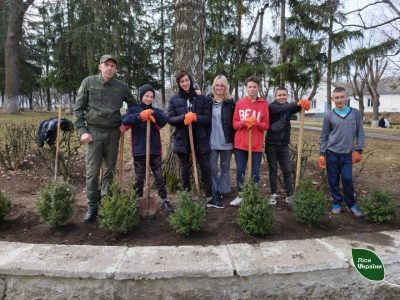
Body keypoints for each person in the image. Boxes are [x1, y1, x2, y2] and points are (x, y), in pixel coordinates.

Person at [74, 55, 135, 223]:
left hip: (113, 133)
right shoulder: (88, 82)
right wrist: (82, 131)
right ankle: (92, 206)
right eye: (106, 65)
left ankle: (106, 202)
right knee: (93, 173)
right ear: (100, 67)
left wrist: (127, 123)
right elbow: (78, 110)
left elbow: (134, 106)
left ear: (115, 69)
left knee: (109, 171)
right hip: (93, 133)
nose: (109, 68)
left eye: (113, 66)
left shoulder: (121, 87)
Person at [122, 84, 173, 214]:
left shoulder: (157, 111)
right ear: (141, 96)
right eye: (146, 96)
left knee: (159, 177)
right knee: (139, 178)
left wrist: (152, 114)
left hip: (154, 150)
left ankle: (164, 200)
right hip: (139, 150)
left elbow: (164, 120)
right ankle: (137, 200)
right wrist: (140, 116)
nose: (149, 99)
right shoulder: (134, 109)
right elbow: (125, 120)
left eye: (151, 96)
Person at [167, 70, 213, 202]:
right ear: (179, 84)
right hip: (183, 140)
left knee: (205, 167)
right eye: (182, 81)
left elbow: (207, 118)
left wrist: (195, 117)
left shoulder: (200, 98)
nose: (185, 83)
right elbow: (170, 119)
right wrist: (183, 117)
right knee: (185, 169)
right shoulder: (174, 100)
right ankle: (186, 196)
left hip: (200, 139)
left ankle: (209, 195)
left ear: (190, 81)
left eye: (187, 80)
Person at [319, 86, 365, 217]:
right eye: (336, 98)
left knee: (347, 179)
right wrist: (322, 154)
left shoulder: (355, 113)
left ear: (347, 97)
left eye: (342, 97)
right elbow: (324, 136)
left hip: (346, 155)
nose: (339, 100)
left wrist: (359, 150)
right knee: (333, 180)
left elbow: (360, 133)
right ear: (332, 99)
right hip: (331, 153)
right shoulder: (329, 116)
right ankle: (337, 202)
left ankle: (351, 203)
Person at [265, 87, 310, 205]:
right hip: (271, 145)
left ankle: (290, 195)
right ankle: (273, 194)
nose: (282, 97)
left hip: (284, 146)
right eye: (279, 95)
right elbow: (284, 108)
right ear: (276, 96)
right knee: (273, 170)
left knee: (287, 170)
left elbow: (295, 107)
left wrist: (303, 103)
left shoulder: (288, 107)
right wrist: (297, 103)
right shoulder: (272, 107)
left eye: (284, 95)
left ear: (287, 95)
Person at [230, 75, 269, 206]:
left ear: (258, 88)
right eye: (249, 87)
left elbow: (266, 125)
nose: (252, 89)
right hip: (241, 144)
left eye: (254, 87)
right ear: (246, 88)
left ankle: (253, 195)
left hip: (256, 145)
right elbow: (234, 124)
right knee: (240, 170)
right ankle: (241, 195)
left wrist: (256, 122)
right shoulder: (240, 104)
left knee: (254, 172)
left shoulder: (263, 105)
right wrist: (244, 122)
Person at [206, 75, 235, 209]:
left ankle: (223, 191)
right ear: (214, 86)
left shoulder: (230, 103)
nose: (219, 88)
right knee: (212, 167)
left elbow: (234, 122)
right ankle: (215, 190)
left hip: (226, 141)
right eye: (217, 85)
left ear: (225, 87)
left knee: (225, 168)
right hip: (211, 141)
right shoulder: (208, 101)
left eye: (222, 85)